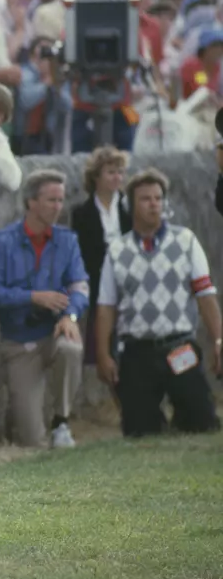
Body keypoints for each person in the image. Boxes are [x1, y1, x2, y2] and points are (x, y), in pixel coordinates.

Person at [95, 170, 222, 438]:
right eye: (146, 199)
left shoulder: (186, 240)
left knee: (202, 423)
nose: (154, 204)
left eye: (159, 198)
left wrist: (218, 340)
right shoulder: (117, 250)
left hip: (180, 347)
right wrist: (103, 355)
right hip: (137, 351)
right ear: (130, 205)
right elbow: (106, 306)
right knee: (140, 430)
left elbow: (205, 294)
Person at [0, 169, 89, 448]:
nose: (58, 207)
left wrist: (70, 315)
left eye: (61, 200)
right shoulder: (3, 242)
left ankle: (61, 421)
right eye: (51, 200)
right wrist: (32, 297)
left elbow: (80, 286)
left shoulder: (68, 241)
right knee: (31, 441)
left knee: (71, 347)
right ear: (31, 202)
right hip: (18, 342)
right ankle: (24, 424)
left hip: (53, 333)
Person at [71, 147, 130, 367]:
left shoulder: (129, 208)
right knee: (104, 351)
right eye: (111, 172)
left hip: (129, 281)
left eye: (120, 172)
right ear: (96, 176)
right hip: (98, 284)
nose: (117, 177)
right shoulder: (81, 214)